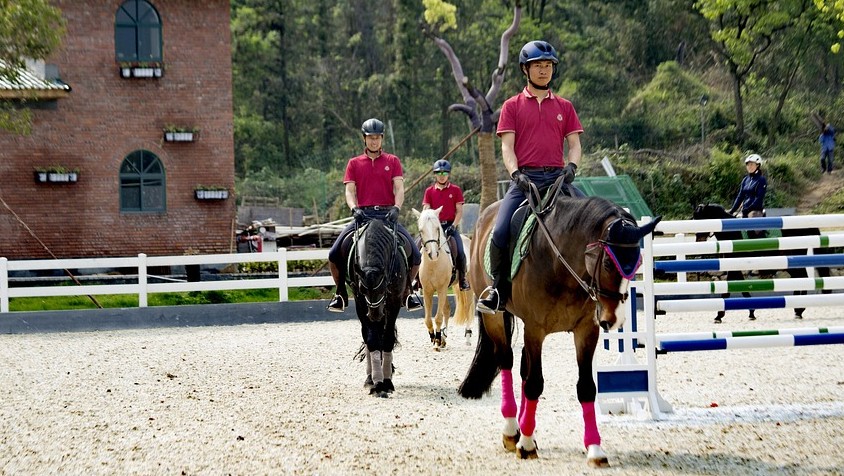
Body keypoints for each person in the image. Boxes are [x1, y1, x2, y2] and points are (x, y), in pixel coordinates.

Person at [476, 40, 583, 314]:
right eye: (538, 66)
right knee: (500, 231)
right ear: (526, 69)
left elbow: (574, 144)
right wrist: (516, 174)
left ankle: (589, 286)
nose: (544, 71)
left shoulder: (565, 106)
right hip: (525, 181)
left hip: (559, 179)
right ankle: (498, 290)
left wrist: (572, 165)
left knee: (591, 220)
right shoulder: (512, 106)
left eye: (548, 66)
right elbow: (506, 148)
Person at [326, 118, 423, 313]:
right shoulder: (354, 163)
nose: (374, 141)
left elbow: (399, 188)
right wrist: (354, 208)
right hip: (363, 216)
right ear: (364, 138)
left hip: (388, 216)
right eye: (371, 137)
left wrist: (397, 207)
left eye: (377, 137)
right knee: (334, 253)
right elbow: (349, 191)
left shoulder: (392, 161)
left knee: (416, 254)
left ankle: (407, 291)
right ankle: (340, 294)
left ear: (382, 139)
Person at [421, 159, 470, 290]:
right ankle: (416, 280)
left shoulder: (456, 190)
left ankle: (462, 279)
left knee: (460, 250)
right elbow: (426, 208)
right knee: (417, 247)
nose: (442, 176)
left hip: (449, 226)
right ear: (435, 174)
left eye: (444, 173)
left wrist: (454, 225)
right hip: (433, 228)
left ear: (448, 174)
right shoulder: (429, 191)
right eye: (439, 173)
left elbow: (459, 211)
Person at [729, 153, 768, 239]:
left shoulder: (761, 180)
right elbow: (740, 197)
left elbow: (759, 198)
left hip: (755, 211)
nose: (749, 167)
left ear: (757, 165)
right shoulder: (745, 180)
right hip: (745, 210)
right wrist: (731, 211)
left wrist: (748, 208)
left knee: (752, 229)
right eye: (748, 165)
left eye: (751, 164)